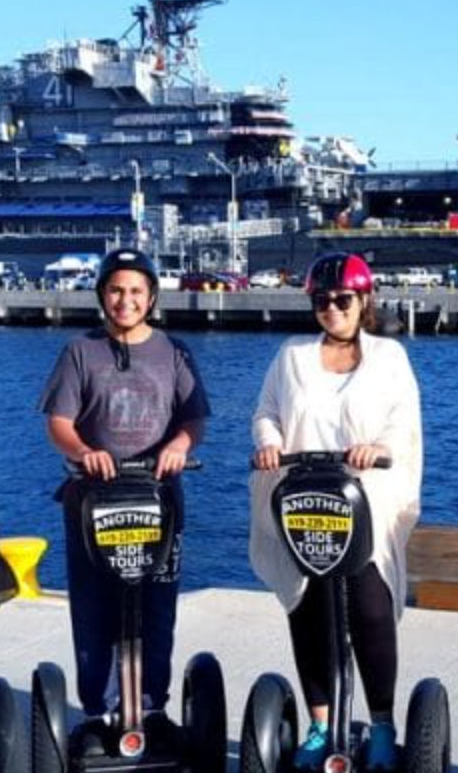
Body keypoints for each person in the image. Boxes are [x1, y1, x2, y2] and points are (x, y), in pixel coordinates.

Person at [250, 252, 423, 772]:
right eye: (321, 301)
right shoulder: (292, 355)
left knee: (370, 611)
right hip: (304, 503)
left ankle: (383, 723)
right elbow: (266, 413)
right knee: (309, 612)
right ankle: (321, 721)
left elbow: (404, 423)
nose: (332, 309)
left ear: (363, 301)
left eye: (343, 299)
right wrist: (269, 443)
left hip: (365, 499)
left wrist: (378, 447)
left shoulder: (389, 356)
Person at [38, 248, 210, 729]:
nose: (125, 300)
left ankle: (151, 705)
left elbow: (195, 417)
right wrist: (82, 452)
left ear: (151, 296)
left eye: (136, 291)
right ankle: (100, 708)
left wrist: (178, 445)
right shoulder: (79, 351)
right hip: (94, 497)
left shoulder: (175, 351)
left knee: (157, 604)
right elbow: (59, 422)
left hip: (158, 497)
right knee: (95, 608)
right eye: (116, 290)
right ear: (102, 295)